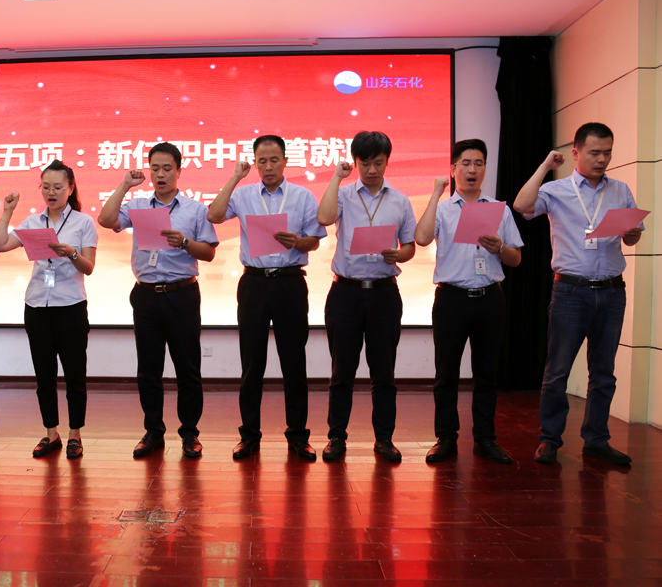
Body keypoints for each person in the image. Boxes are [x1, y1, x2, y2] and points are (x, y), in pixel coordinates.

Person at [513, 122, 643, 466]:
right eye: (594, 153)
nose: (602, 160)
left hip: (612, 291)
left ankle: (596, 439)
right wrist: (545, 166)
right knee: (558, 370)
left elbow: (633, 236)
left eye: (607, 153)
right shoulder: (556, 190)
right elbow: (522, 205)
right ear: (576, 153)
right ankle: (549, 439)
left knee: (604, 372)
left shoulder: (620, 190)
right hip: (570, 291)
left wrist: (632, 235)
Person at [207, 135, 325, 461]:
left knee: (294, 364)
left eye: (274, 160)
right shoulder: (243, 194)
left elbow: (315, 240)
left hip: (290, 283)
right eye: (262, 161)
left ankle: (298, 436)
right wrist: (235, 177)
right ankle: (249, 436)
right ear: (255, 164)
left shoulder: (303, 196)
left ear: (285, 161)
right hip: (254, 284)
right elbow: (214, 215)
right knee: (252, 364)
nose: (269, 166)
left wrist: (298, 242)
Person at [97, 142, 218, 458]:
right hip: (146, 295)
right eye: (155, 168)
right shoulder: (138, 205)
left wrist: (185, 242)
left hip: (182, 294)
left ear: (179, 171)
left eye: (167, 168)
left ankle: (190, 433)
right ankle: (153, 431)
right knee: (149, 369)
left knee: (187, 368)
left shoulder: (195, 209)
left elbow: (208, 253)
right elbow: (106, 219)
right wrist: (125, 184)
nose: (160, 174)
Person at [414, 139, 523, 464]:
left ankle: (485, 439)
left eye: (478, 163)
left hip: (490, 299)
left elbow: (515, 259)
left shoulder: (500, 209)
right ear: (453, 169)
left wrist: (499, 248)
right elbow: (421, 238)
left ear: (485, 168)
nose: (472, 169)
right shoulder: (444, 209)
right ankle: (446, 438)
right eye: (465, 163)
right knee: (446, 373)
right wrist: (435, 194)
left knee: (487, 374)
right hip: (452, 299)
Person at [317, 131, 416, 462]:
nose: (372, 170)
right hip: (345, 293)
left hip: (384, 294)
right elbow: (324, 218)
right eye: (365, 163)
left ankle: (384, 439)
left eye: (378, 163)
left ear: (387, 162)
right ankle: (336, 437)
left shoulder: (400, 201)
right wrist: (336, 177)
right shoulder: (343, 195)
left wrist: (399, 255)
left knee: (384, 373)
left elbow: (410, 247)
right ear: (355, 163)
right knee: (341, 372)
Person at [0, 160, 97, 459]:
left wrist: (71, 253)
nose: (51, 193)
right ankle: (51, 433)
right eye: (46, 187)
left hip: (70, 306)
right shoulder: (33, 222)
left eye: (58, 187)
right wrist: (8, 211)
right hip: (37, 305)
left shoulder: (83, 222)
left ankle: (75, 434)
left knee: (74, 374)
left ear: (70, 188)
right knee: (44, 375)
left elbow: (88, 267)